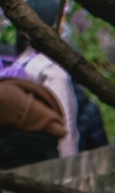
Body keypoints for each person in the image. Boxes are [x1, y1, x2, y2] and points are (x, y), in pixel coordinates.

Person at [0, 0, 77, 168]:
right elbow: (64, 129)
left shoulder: (17, 65)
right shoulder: (52, 69)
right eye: (62, 19)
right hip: (44, 161)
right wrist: (69, 169)